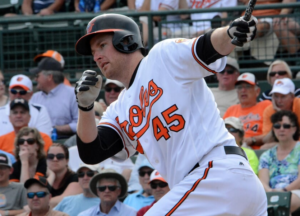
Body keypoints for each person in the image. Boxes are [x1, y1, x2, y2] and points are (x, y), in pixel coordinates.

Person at [74, 13, 267, 215]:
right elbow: (92, 152)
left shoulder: (161, 56)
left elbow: (206, 46)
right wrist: (85, 108)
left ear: (125, 41)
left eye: (102, 45)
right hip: (215, 186)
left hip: (215, 174)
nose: (96, 56)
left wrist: (229, 33)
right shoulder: (118, 108)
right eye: (94, 52)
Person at [259, 110, 300, 214]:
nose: (281, 129)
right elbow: (262, 181)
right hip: (271, 193)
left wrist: (284, 191)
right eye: (277, 126)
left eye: (286, 126)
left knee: (283, 203)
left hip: (294, 191)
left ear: (294, 129)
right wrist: (270, 192)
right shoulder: (266, 155)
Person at [30, 58, 79, 139]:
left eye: (37, 75)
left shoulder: (73, 94)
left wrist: (55, 129)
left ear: (49, 77)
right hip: (37, 142)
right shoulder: (35, 97)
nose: (35, 79)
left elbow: (80, 124)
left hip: (65, 141)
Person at [223, 73, 272, 149]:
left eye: (248, 86)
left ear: (257, 91)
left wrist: (253, 140)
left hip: (258, 150)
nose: (243, 90)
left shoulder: (266, 106)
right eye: (239, 87)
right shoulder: (231, 110)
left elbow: (274, 132)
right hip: (234, 148)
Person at [262, 78, 300, 149]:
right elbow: (266, 140)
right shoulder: (269, 110)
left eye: (283, 96)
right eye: (276, 96)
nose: (279, 101)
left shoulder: (299, 104)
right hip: (281, 143)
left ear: (292, 97)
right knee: (264, 148)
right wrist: (280, 116)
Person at [46, 143, 82, 208]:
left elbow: (63, 200)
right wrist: (52, 176)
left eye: (60, 156)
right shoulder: (43, 178)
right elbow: (38, 196)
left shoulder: (76, 178)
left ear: (67, 161)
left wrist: (40, 203)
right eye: (50, 156)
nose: (55, 159)